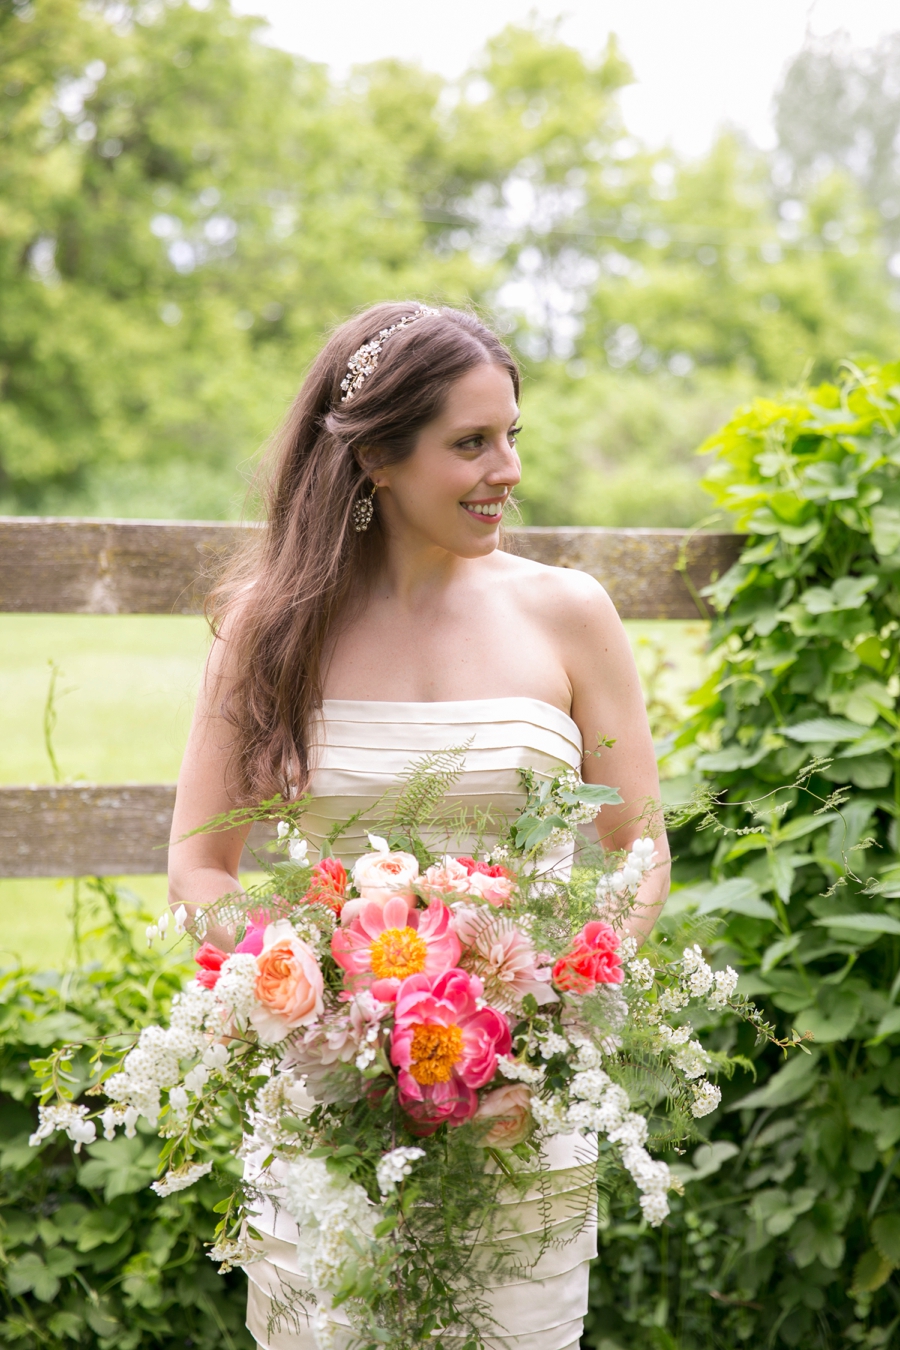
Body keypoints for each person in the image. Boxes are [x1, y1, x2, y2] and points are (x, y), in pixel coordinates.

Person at [168, 301, 670, 1349]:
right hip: (327, 1113)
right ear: (381, 460)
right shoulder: (272, 628)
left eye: (512, 438)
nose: (509, 472)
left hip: (516, 1112)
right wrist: (319, 1007)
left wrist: (547, 1022)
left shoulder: (569, 614)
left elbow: (638, 848)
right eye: (471, 444)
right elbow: (199, 868)